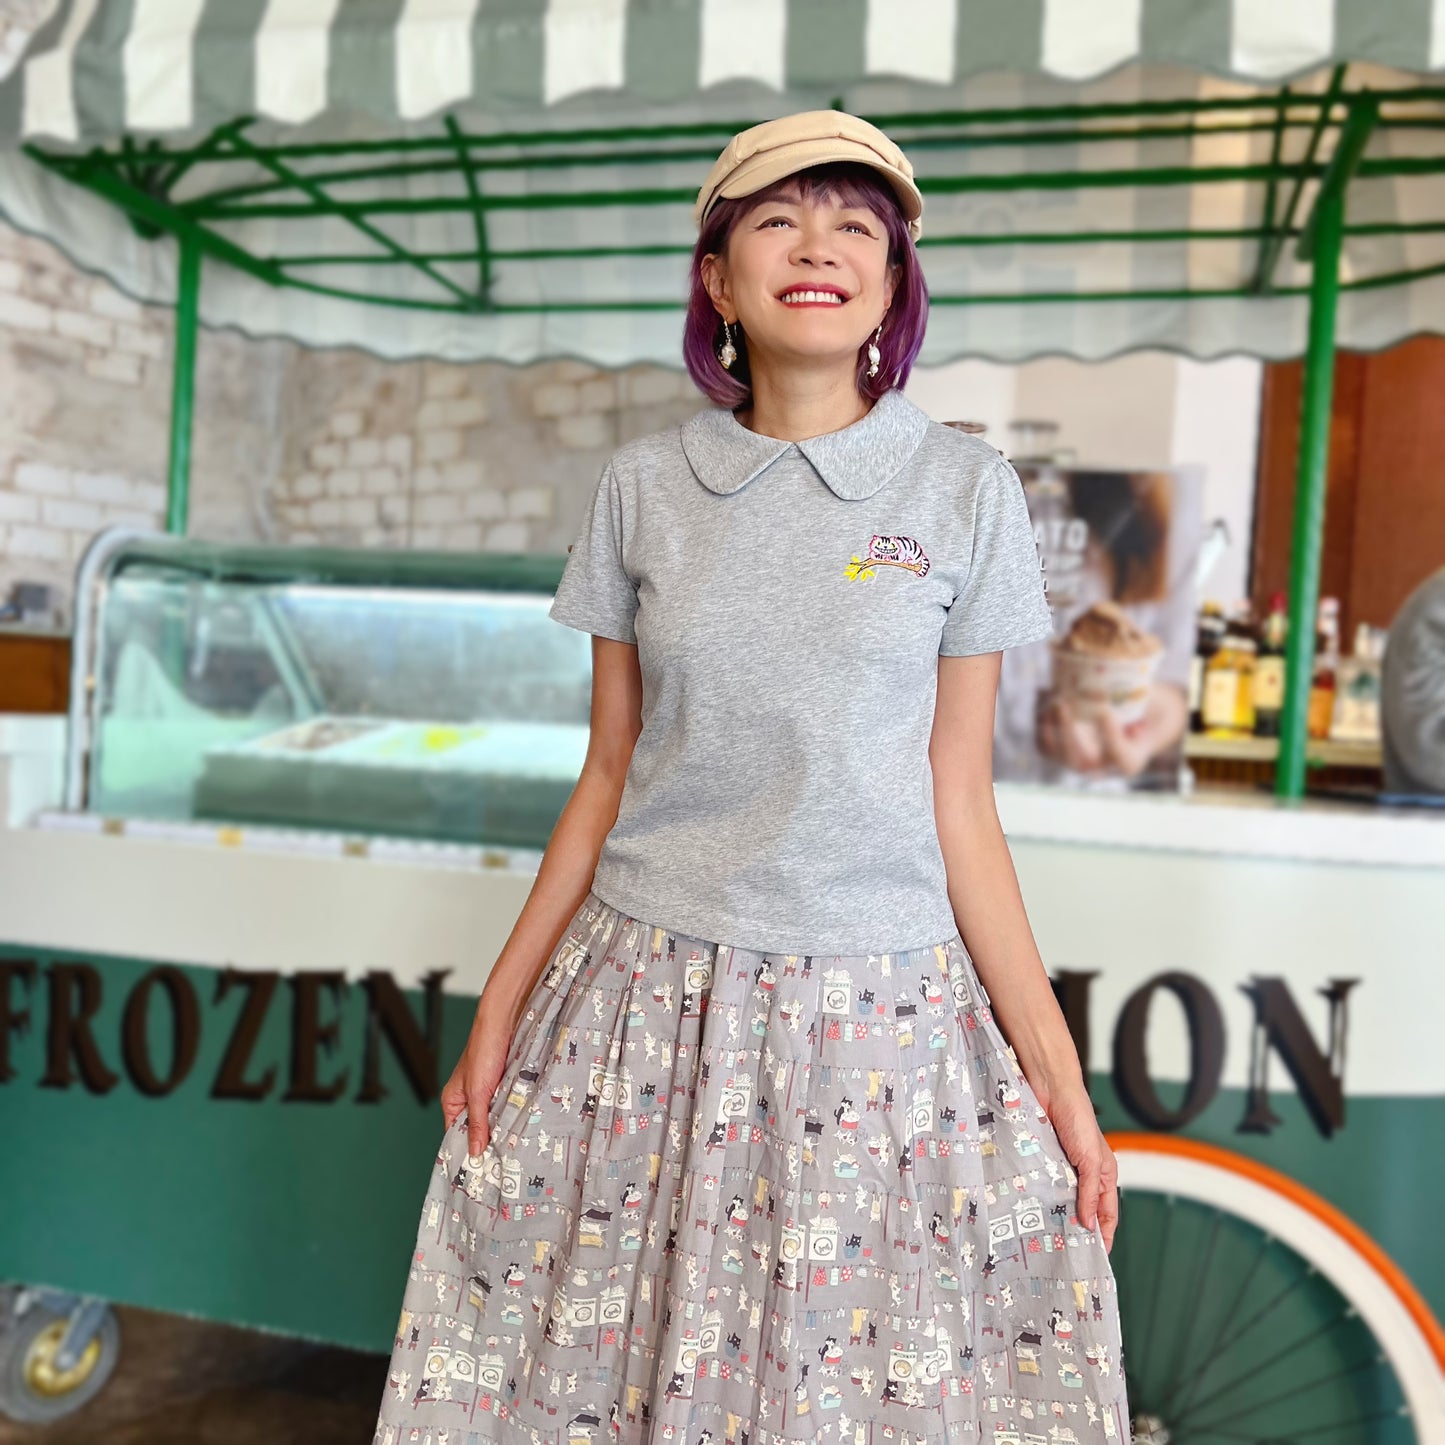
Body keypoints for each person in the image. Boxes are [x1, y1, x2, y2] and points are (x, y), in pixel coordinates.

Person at [373, 109, 1131, 1445]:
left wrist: (1057, 1083)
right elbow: (607, 769)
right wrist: (499, 1005)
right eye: (776, 218)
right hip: (642, 1003)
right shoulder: (643, 486)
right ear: (717, 279)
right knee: (607, 1372)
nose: (817, 246)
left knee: (839, 1393)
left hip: (877, 1022)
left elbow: (963, 799)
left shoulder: (963, 490)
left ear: (893, 285)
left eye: (855, 225)